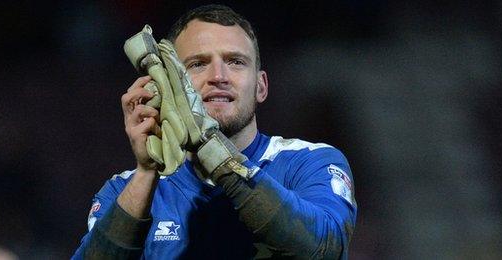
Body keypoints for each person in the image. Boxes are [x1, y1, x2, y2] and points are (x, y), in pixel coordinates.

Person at [72, 4, 357, 259]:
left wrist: (212, 147)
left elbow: (324, 249)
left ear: (261, 86)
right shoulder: (125, 191)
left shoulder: (309, 163)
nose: (218, 76)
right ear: (167, 85)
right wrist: (147, 171)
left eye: (235, 61)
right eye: (198, 64)